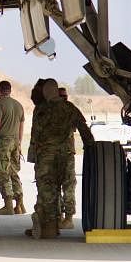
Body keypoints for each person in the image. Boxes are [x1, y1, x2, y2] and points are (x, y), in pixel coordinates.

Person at [26, 79, 93, 238]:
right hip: (66, 155)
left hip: (46, 157)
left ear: (45, 92)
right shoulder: (70, 108)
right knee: (67, 185)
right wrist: (92, 149)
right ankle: (66, 219)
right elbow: (85, 131)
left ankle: (49, 226)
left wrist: (34, 156)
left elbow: (35, 135)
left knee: (47, 190)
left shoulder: (41, 109)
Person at [0, 80, 26, 215]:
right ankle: (20, 205)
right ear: (10, 90)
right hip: (15, 142)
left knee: (2, 173)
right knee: (14, 172)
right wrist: (19, 144)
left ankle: (8, 205)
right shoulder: (19, 105)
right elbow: (21, 127)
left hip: (3, 143)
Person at [57, 87, 77, 229]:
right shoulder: (71, 109)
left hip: (64, 154)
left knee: (66, 186)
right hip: (61, 153)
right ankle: (62, 217)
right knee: (60, 186)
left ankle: (66, 218)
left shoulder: (50, 110)